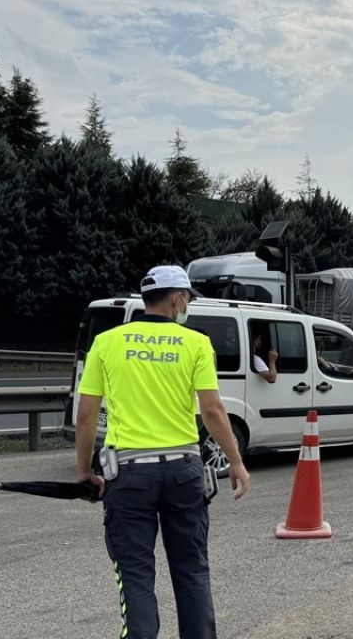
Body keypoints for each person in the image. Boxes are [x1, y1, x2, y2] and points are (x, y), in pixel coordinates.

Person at [75, 265, 251, 639]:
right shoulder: (196, 343)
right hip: (183, 471)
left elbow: (87, 413)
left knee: (136, 575)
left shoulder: (106, 342)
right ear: (176, 299)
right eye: (186, 297)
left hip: (128, 473)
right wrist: (235, 461)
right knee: (192, 571)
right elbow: (213, 410)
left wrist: (83, 472)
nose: (186, 304)